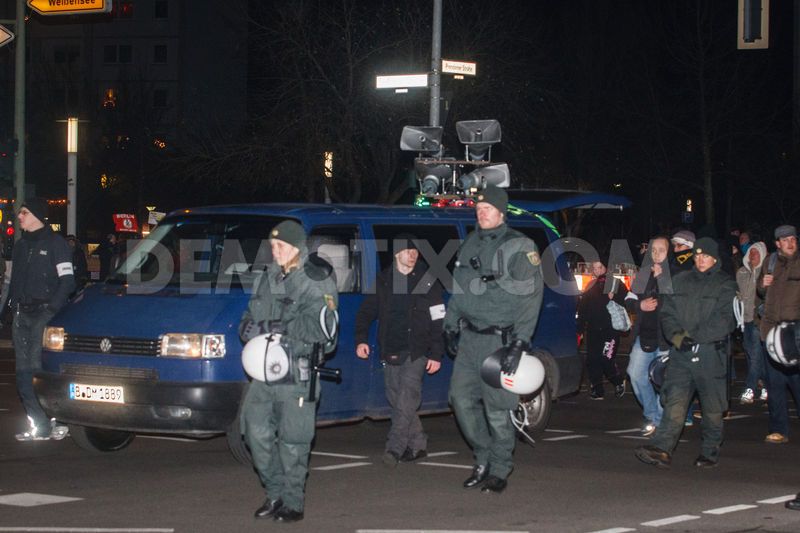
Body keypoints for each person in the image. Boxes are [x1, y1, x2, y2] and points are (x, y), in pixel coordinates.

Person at [443, 185, 543, 494]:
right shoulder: (471, 242)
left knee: (497, 409)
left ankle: (499, 468)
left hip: (500, 341)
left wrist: (520, 343)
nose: (482, 213)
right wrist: (450, 324)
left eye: (487, 209)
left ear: (501, 212)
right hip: (470, 338)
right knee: (459, 399)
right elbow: (460, 287)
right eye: (479, 209)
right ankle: (483, 457)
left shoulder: (520, 246)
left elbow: (531, 298)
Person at [238, 220, 339, 522]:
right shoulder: (266, 277)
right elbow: (248, 316)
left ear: (297, 247)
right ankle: (275, 492)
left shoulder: (315, 279)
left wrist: (279, 327)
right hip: (262, 372)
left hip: (297, 371)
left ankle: (292, 502)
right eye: (272, 245)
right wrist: (247, 328)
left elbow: (327, 333)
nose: (275, 250)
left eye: (281, 245)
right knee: (254, 433)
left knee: (294, 441)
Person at [635, 237, 737, 468]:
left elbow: (724, 320)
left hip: (711, 354)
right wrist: (679, 338)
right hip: (682, 352)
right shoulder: (680, 281)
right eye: (698, 255)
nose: (701, 260)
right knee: (675, 402)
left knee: (712, 407)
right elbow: (667, 313)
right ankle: (662, 448)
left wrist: (697, 338)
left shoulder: (725, 284)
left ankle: (709, 451)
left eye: (706, 256)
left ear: (715, 258)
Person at [354, 233, 445, 466]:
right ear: (397, 254)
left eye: (415, 252)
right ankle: (418, 444)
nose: (412, 255)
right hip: (390, 349)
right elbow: (366, 312)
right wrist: (361, 339)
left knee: (406, 399)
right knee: (396, 399)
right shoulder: (384, 280)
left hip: (417, 350)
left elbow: (438, 318)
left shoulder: (427, 281)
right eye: (407, 251)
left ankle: (394, 448)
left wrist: (436, 353)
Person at [10, 198, 75, 441]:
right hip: (21, 314)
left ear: (37, 216)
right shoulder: (20, 246)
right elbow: (14, 282)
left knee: (40, 370)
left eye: (24, 213)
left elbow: (68, 281)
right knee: (23, 373)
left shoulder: (56, 244)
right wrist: (11, 307)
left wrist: (50, 310)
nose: (19, 217)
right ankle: (40, 425)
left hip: (44, 315)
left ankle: (54, 420)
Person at [757, 224, 800, 445]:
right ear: (777, 243)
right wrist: (762, 285)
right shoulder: (770, 261)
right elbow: (761, 291)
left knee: (797, 381)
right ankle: (778, 429)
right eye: (785, 240)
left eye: (793, 239)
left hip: (795, 334)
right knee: (774, 384)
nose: (790, 243)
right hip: (771, 333)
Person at [625, 236, 671, 436]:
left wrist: (662, 278)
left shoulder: (675, 274)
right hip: (644, 337)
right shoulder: (643, 274)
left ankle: (659, 421)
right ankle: (653, 415)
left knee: (664, 381)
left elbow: (675, 303)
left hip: (666, 339)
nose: (657, 253)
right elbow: (628, 299)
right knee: (635, 374)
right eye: (653, 250)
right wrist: (639, 306)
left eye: (661, 250)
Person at [576, 260, 627, 400]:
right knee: (592, 360)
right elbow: (582, 310)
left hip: (610, 330)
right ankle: (598, 389)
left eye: (600, 267)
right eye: (595, 268)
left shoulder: (615, 283)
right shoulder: (590, 286)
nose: (597, 270)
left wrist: (615, 296)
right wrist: (579, 329)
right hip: (593, 331)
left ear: (606, 267)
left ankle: (618, 381)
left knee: (606, 359)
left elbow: (628, 301)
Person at [736, 241, 768, 404]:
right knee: (751, 354)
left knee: (755, 355)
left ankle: (750, 388)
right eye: (751, 252)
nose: (753, 255)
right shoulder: (742, 272)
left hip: (759, 319)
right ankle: (765, 385)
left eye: (756, 253)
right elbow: (740, 294)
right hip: (745, 319)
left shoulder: (765, 273)